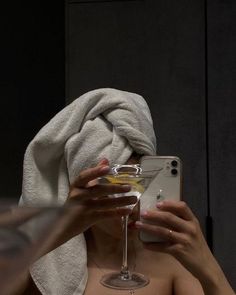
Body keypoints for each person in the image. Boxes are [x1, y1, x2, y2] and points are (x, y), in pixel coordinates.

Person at [18, 88, 234, 294]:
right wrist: (56, 229)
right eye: (114, 190)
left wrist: (208, 266)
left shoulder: (169, 262)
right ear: (83, 193)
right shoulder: (47, 270)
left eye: (140, 184)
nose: (133, 206)